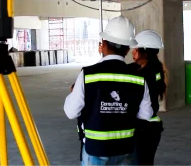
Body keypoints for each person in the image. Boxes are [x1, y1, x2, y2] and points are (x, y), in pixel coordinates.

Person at [64, 16, 153, 166]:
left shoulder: (88, 75)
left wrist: (74, 93)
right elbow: (146, 114)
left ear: (103, 44)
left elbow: (71, 112)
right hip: (125, 148)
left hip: (95, 150)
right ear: (127, 48)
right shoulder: (138, 78)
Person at [129, 29, 167, 166]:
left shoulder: (147, 74)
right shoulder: (152, 68)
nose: (132, 52)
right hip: (150, 128)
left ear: (145, 52)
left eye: (136, 49)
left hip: (145, 129)